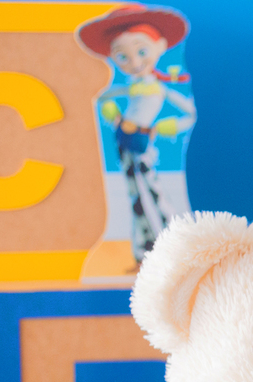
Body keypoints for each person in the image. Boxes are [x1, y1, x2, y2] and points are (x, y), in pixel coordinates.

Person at [77, 5, 196, 264]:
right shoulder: (131, 87)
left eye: (141, 52)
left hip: (141, 139)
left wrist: (160, 128)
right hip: (124, 138)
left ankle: (174, 243)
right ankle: (146, 250)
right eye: (123, 57)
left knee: (151, 189)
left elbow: (189, 114)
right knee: (136, 192)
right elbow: (102, 97)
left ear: (160, 46)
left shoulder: (159, 89)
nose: (134, 62)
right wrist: (115, 116)